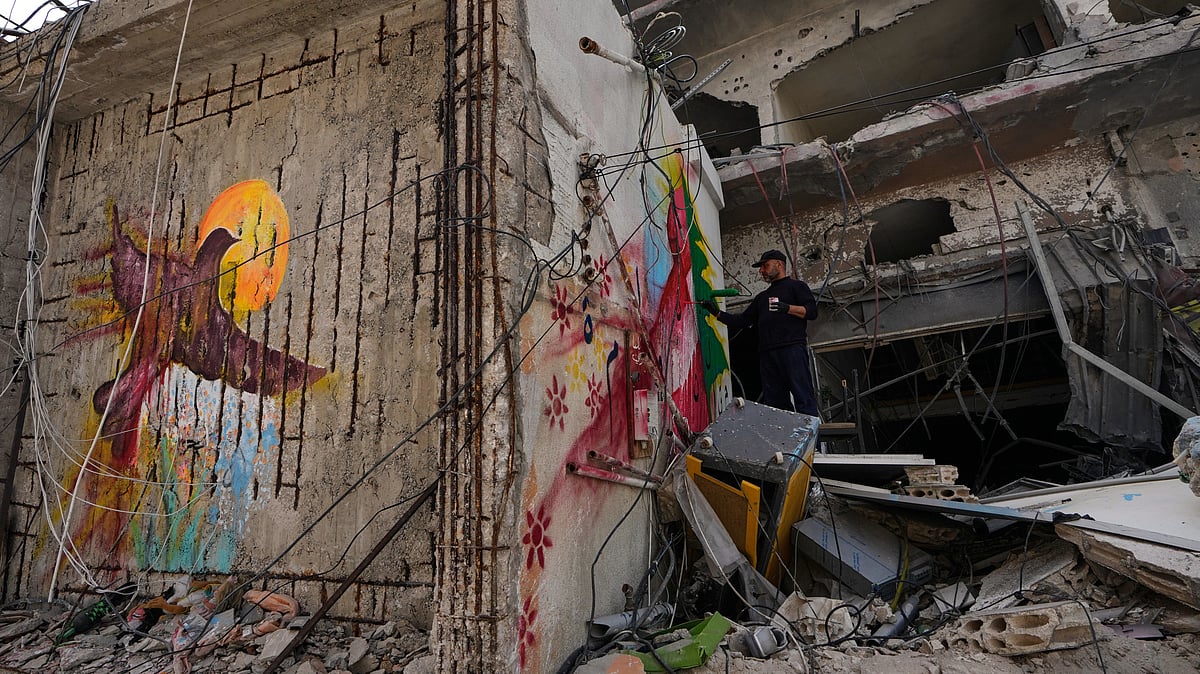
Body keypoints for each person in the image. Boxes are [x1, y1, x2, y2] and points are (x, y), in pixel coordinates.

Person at [702, 249, 820, 417]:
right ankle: (783, 440)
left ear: (779, 265)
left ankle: (813, 441)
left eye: (765, 266)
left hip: (792, 348)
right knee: (775, 402)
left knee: (803, 396)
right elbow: (742, 321)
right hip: (767, 353)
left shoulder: (797, 287)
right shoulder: (762, 298)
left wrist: (787, 308)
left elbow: (812, 312)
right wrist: (716, 313)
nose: (761, 271)